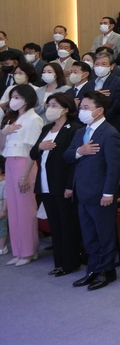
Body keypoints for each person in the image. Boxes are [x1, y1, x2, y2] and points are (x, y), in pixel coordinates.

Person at [63, 92, 120, 289]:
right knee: (88, 234)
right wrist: (80, 151)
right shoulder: (80, 132)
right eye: (81, 108)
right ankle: (92, 269)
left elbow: (114, 167)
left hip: (101, 194)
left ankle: (107, 271)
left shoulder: (110, 133)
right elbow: (67, 156)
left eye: (86, 108)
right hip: (82, 192)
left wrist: (108, 193)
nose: (82, 111)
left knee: (104, 234)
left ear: (99, 111)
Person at [30, 93, 83, 277]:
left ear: (65, 109)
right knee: (55, 225)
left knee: (67, 224)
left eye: (54, 105)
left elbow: (74, 161)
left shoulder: (74, 129)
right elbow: (32, 153)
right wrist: (40, 147)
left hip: (62, 184)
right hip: (45, 183)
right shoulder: (46, 128)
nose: (50, 108)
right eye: (48, 105)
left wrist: (70, 186)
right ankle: (59, 262)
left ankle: (70, 262)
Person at [0, 84, 43, 266]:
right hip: (10, 162)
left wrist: (25, 175)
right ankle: (17, 250)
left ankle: (28, 251)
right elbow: (2, 147)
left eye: (17, 97)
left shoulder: (34, 119)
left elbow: (34, 150)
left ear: (27, 99)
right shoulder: (14, 118)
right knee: (14, 208)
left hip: (24, 163)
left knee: (25, 209)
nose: (13, 100)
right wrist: (4, 132)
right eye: (12, 97)